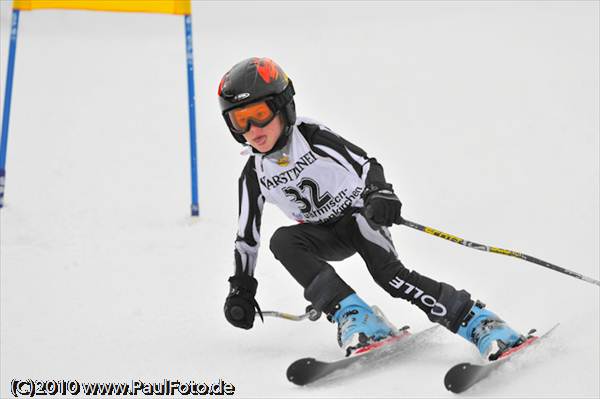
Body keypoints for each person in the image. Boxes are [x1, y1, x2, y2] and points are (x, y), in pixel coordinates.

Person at [219, 57, 523, 359]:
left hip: (362, 217)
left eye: (259, 114)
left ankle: (480, 322)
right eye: (239, 120)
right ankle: (355, 315)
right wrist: (242, 288)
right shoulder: (253, 176)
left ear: (283, 107)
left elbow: (366, 164)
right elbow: (247, 238)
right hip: (322, 236)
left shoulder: (312, 138)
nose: (252, 129)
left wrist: (380, 193)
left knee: (391, 277)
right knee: (283, 240)